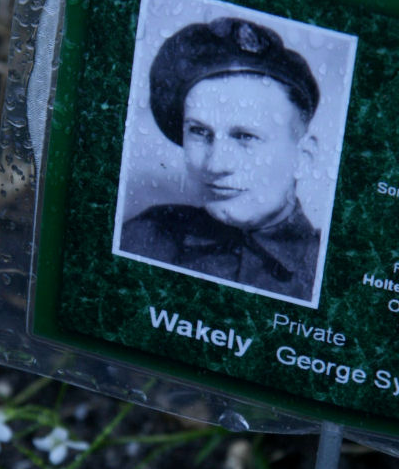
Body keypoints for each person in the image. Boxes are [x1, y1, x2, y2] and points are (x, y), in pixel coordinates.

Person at [118, 16, 322, 302]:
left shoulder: (325, 275)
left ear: (303, 157)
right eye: (199, 132)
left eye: (245, 137)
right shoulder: (145, 237)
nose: (215, 165)